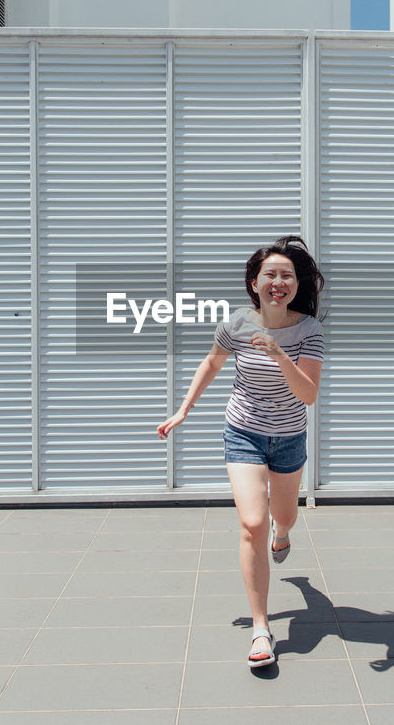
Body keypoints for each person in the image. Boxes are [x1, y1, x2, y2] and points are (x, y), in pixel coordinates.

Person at [157, 236, 325, 669]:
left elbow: (307, 394)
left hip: (288, 437)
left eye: (286, 275)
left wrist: (277, 352)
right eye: (269, 274)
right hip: (244, 433)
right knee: (252, 522)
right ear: (254, 283)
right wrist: (183, 410)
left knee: (282, 516)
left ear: (295, 284)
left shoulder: (308, 329)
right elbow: (211, 363)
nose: (278, 281)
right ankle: (261, 628)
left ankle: (283, 535)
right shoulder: (236, 324)